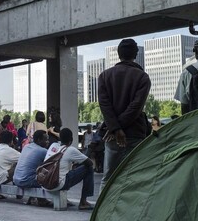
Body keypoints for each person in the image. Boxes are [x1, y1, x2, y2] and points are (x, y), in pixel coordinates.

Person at [98, 38, 151, 190]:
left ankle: (102, 212)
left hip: (112, 135)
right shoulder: (143, 77)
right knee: (136, 178)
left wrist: (115, 128)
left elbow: (105, 106)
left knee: (108, 178)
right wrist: (117, 128)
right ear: (136, 53)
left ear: (118, 54)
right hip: (134, 133)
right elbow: (136, 107)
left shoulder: (104, 76)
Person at [45, 128, 95, 210]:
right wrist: (78, 162)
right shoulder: (71, 150)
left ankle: (83, 201)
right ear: (71, 140)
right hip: (58, 184)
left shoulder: (53, 145)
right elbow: (90, 163)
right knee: (88, 168)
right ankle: (83, 202)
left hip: (46, 182)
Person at [13, 130, 52, 207]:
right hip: (26, 181)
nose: (48, 142)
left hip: (16, 179)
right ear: (39, 140)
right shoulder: (43, 151)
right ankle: (42, 200)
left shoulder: (26, 146)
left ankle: (33, 198)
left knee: (35, 172)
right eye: (46, 140)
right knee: (48, 176)